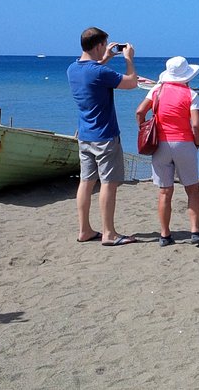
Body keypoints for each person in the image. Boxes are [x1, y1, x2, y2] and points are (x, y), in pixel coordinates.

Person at [67, 27, 138, 246]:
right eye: (104, 45)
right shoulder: (99, 72)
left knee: (86, 182)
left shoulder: (72, 69)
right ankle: (109, 233)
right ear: (98, 45)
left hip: (85, 135)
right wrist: (128, 59)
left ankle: (84, 230)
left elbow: (92, 74)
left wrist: (105, 59)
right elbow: (131, 82)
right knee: (109, 183)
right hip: (105, 136)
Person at [135, 56, 199, 247]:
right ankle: (195, 231)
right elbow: (196, 124)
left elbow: (139, 112)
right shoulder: (191, 94)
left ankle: (165, 235)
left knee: (165, 191)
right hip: (184, 143)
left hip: (160, 144)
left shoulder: (156, 90)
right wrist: (197, 142)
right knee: (192, 189)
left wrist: (144, 129)